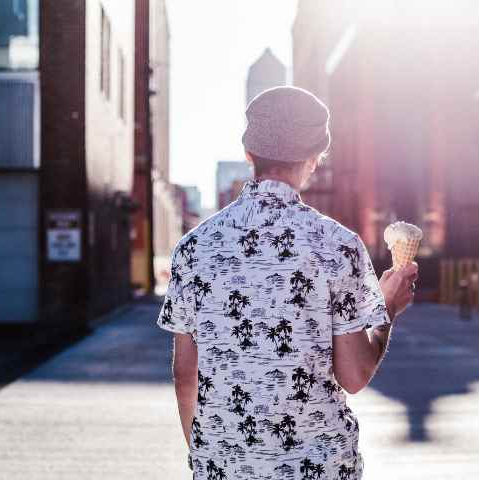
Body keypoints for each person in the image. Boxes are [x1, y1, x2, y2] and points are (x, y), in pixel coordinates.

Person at [157, 86, 418, 480]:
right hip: (319, 468)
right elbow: (354, 376)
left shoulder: (194, 248)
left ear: (249, 155)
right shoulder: (337, 245)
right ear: (314, 159)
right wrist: (386, 311)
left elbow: (185, 374)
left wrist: (207, 458)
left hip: (223, 468)